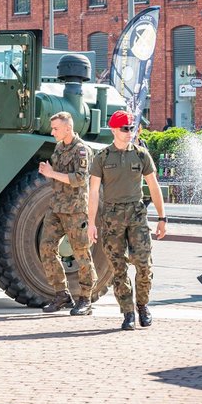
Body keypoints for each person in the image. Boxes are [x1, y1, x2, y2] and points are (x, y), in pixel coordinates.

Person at [87, 110, 167, 331]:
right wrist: (91, 223)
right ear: (114, 129)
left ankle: (142, 305)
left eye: (131, 128)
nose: (129, 132)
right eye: (124, 129)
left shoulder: (141, 155)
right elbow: (93, 192)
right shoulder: (101, 158)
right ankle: (128, 313)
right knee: (118, 268)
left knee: (143, 265)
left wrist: (162, 217)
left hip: (137, 215)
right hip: (111, 218)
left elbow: (153, 186)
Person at [37, 111, 96, 316]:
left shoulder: (82, 150)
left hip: (75, 210)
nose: (52, 132)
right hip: (57, 207)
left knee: (81, 253)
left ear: (68, 128)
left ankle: (86, 299)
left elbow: (80, 179)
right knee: (46, 248)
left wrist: (52, 173)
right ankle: (61, 294)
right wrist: (49, 171)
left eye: (55, 128)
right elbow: (57, 177)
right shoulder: (59, 147)